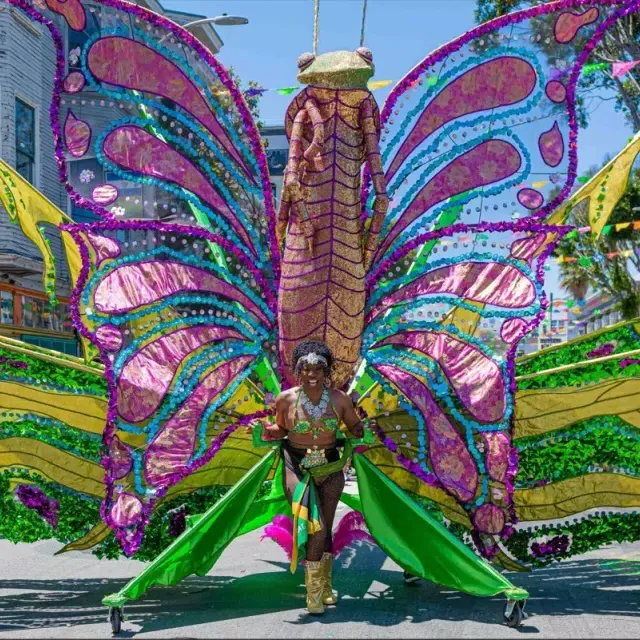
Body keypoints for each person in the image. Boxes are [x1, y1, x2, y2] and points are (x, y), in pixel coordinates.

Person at [255, 339, 370, 615]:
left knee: (326, 526)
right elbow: (282, 430)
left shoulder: (340, 399)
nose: (312, 374)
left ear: (327, 370)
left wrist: (359, 429)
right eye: (305, 368)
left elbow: (354, 426)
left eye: (318, 368)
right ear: (298, 370)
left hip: (331, 468)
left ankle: (325, 587)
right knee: (314, 524)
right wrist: (269, 431)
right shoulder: (287, 399)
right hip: (297, 467)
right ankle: (313, 594)